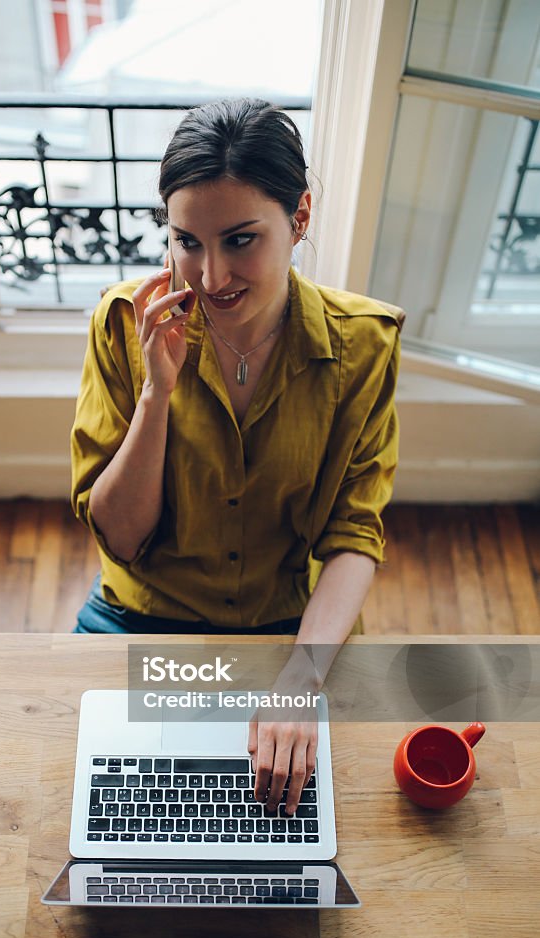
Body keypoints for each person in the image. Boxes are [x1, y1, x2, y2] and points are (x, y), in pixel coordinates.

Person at [71, 98, 401, 814]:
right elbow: (120, 538)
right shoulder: (123, 323)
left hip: (291, 623)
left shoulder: (364, 345)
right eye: (185, 241)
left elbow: (353, 534)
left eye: (240, 240)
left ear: (300, 218)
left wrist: (299, 678)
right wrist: (157, 396)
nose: (208, 274)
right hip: (145, 616)